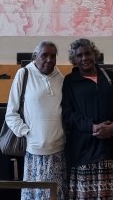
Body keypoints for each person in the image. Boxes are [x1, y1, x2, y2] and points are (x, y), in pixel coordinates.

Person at [62, 38, 113, 200]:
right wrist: (93, 128)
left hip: (111, 147)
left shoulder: (110, 77)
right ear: (74, 59)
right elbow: (68, 114)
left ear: (95, 54)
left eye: (88, 53)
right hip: (84, 149)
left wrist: (112, 126)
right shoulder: (70, 81)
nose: (84, 58)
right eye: (79, 55)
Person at [5, 41, 67, 200]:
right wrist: (28, 133)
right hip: (34, 153)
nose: (49, 59)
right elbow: (11, 113)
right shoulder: (24, 74)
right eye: (44, 55)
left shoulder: (61, 78)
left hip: (58, 152)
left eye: (53, 56)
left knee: (56, 196)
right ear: (35, 57)